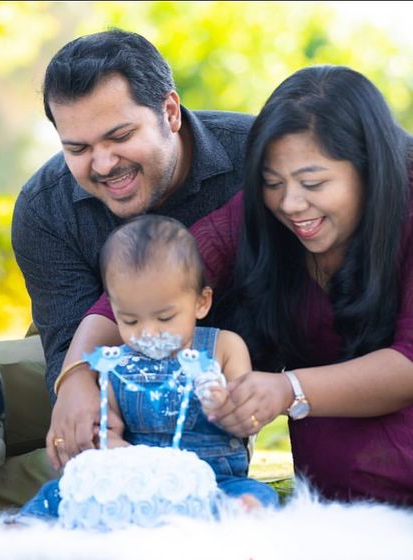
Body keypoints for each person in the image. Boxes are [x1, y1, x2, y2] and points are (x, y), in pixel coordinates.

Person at [68, 64, 413, 506]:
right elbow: (155, 272)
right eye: (272, 183)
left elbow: (408, 362)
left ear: (370, 169)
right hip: (331, 504)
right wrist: (77, 376)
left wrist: (289, 389)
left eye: (314, 183)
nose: (289, 203)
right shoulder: (260, 217)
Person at [0, 26, 254, 502]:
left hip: (205, 398)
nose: (103, 163)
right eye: (78, 148)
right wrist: (76, 388)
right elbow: (66, 345)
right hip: (93, 359)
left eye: (120, 136)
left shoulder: (253, 159)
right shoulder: (46, 207)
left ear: (169, 112)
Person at [18, 215, 278, 521]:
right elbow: (105, 430)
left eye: (165, 317)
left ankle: (234, 517)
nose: (148, 333)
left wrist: (222, 404)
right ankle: (26, 525)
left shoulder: (224, 348)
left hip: (214, 478)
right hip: (138, 484)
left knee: (258, 495)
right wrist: (115, 448)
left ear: (201, 302)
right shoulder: (115, 364)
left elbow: (248, 421)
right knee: (60, 492)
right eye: (129, 320)